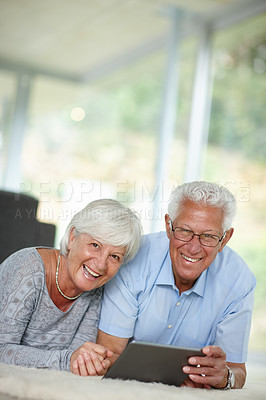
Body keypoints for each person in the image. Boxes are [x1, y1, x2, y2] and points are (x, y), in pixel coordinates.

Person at [75, 181, 256, 389]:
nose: (194, 248)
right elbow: (109, 354)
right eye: (185, 231)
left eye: (208, 236)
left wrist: (225, 377)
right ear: (168, 226)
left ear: (225, 239)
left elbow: (237, 370)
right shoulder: (133, 259)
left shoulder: (239, 281)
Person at [0, 198, 142, 372]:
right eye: (95, 245)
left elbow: (77, 360)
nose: (101, 265)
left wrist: (88, 361)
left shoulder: (95, 288)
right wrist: (68, 360)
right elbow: (2, 349)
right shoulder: (27, 269)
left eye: (115, 256)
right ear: (73, 236)